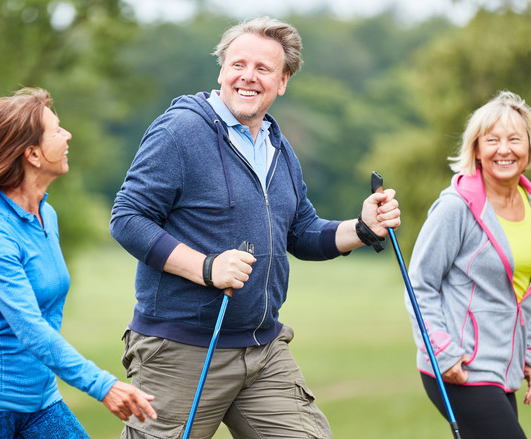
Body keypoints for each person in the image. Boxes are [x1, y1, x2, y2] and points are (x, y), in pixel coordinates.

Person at [110, 16, 400, 438]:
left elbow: (300, 233)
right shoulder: (180, 130)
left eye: (263, 69)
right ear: (222, 71)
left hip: (262, 349)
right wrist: (207, 268)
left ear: (283, 82)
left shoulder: (277, 146)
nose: (248, 77)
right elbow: (128, 218)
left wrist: (363, 228)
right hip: (181, 350)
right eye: (238, 65)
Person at [0, 87, 157, 438]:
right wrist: (103, 386)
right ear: (33, 154)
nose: (67, 135)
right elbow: (31, 329)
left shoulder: (45, 214)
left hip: (39, 402)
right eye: (56, 130)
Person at [406, 91, 531, 439]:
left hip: (503, 369)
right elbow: (420, 285)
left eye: (515, 139)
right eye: (492, 140)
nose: (504, 150)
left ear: (530, 148)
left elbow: (525, 294)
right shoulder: (456, 207)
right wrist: (443, 351)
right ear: (476, 149)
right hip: (460, 367)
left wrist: (529, 352)